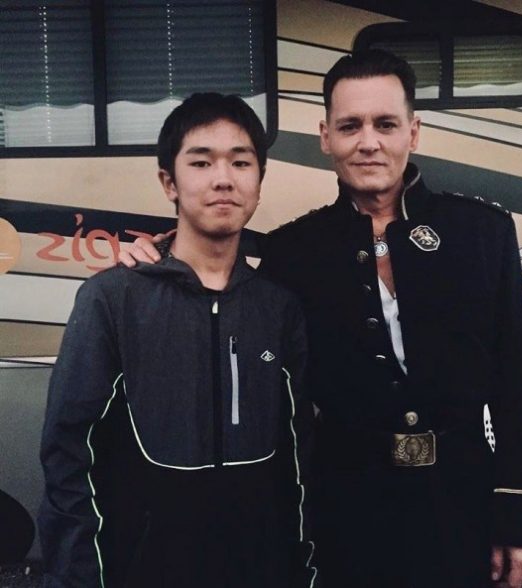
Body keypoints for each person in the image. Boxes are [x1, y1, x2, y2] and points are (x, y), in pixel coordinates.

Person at [120, 51, 522, 588]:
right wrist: (158, 258)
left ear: (413, 132)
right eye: (350, 126)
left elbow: (516, 382)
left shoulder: (482, 233)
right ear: (326, 137)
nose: (368, 142)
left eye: (385, 124)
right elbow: (225, 290)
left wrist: (521, 518)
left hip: (463, 509)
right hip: (346, 516)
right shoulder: (294, 251)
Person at [38, 93, 318, 588]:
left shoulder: (279, 309)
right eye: (201, 162)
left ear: (259, 180)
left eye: (240, 162)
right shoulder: (112, 300)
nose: (222, 179)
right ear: (169, 181)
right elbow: (69, 456)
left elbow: (299, 461)